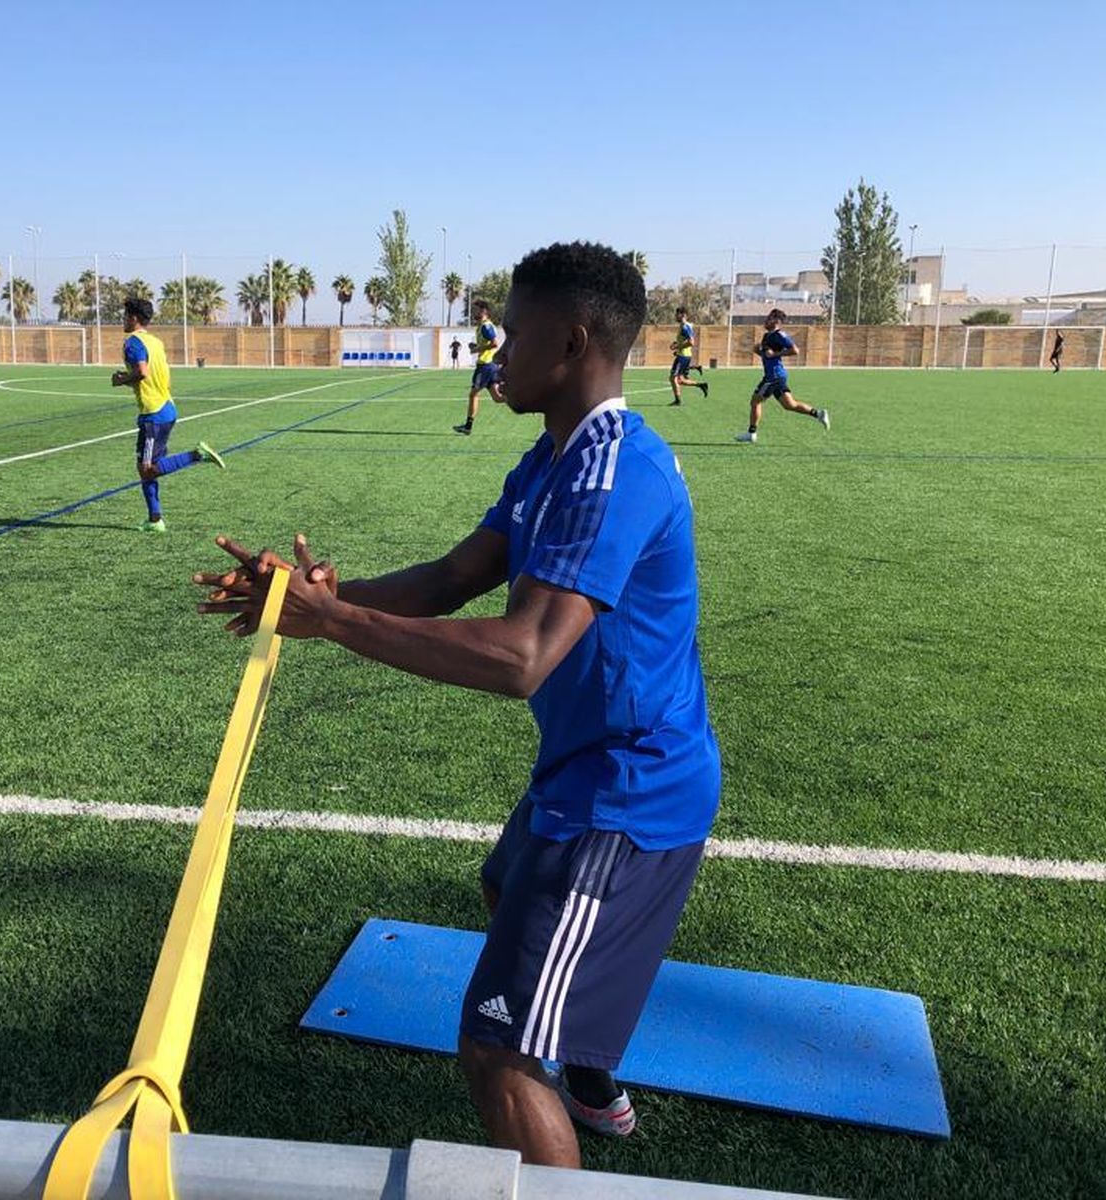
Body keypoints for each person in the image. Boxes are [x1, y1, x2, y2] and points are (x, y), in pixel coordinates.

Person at [195, 242, 720, 1169]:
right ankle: (594, 1078)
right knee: (501, 884)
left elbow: (521, 656)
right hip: (584, 769)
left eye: (512, 334)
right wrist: (314, 605)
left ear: (573, 340)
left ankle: (567, 1078)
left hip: (629, 796)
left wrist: (338, 621)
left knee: (499, 1055)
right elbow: (449, 579)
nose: (496, 352)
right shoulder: (554, 459)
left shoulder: (612, 474)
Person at [112, 296, 226, 533]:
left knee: (148, 469)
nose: (122, 319)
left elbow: (142, 372)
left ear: (134, 318)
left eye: (125, 315)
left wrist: (122, 379)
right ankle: (155, 520)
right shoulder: (154, 342)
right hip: (164, 407)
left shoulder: (132, 342)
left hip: (154, 413)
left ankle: (197, 455)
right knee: (145, 467)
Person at [734, 309, 829, 443]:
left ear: (777, 322)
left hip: (773, 376)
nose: (766, 321)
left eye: (769, 318)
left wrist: (775, 354)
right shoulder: (767, 336)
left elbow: (795, 350)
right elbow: (766, 354)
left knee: (755, 401)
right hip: (776, 375)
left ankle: (751, 433)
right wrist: (758, 351)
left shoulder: (780, 335)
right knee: (790, 405)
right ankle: (818, 414)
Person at [454, 300, 504, 435]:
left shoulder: (486, 326)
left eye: (475, 310)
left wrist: (477, 349)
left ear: (484, 311)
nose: (473, 313)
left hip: (486, 366)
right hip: (491, 364)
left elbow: (494, 344)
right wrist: (475, 347)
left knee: (473, 394)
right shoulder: (483, 326)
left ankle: (468, 426)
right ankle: (524, 397)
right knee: (498, 398)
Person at [667, 306, 708, 405]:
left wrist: (678, 347)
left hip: (683, 356)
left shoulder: (685, 326)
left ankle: (678, 401)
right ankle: (701, 385)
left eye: (677, 314)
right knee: (680, 380)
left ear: (683, 315)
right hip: (683, 355)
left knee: (673, 378)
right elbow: (684, 340)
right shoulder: (683, 326)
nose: (675, 316)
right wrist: (676, 344)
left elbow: (691, 342)